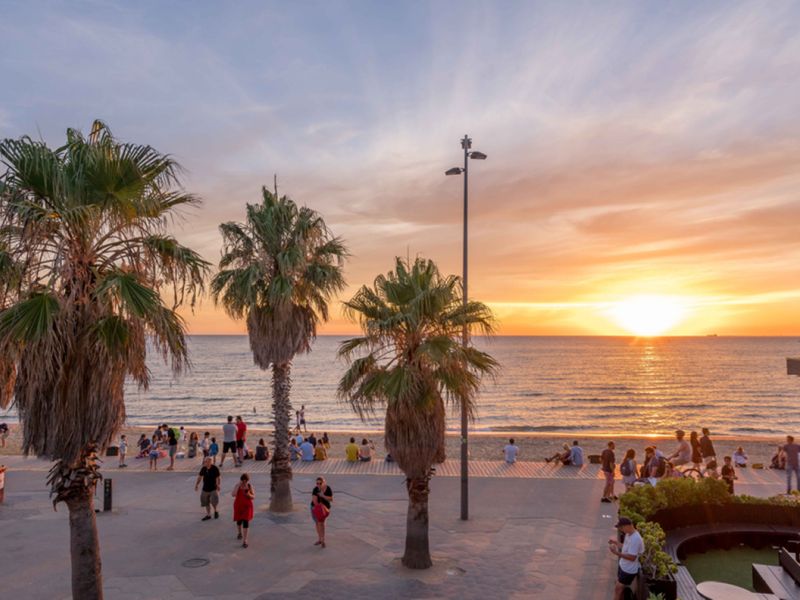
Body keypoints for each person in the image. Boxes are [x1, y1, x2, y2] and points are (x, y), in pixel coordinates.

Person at [608, 517, 644, 600]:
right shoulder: (628, 534)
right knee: (620, 590)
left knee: (618, 590)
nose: (620, 530)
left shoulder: (636, 539)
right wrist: (615, 542)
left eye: (621, 527)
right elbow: (626, 547)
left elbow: (632, 557)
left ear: (628, 526)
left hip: (628, 570)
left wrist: (616, 553)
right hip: (623, 565)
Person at [231, 473, 255, 548]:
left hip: (247, 507)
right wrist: (238, 486)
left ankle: (245, 540)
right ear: (241, 480)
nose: (244, 482)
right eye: (243, 481)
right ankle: (239, 533)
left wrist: (248, 494)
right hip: (238, 506)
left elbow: (253, 497)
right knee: (239, 521)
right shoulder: (237, 485)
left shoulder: (249, 486)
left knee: (246, 522)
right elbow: (233, 494)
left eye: (246, 481)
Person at [195, 457, 221, 521]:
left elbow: (218, 477)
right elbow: (200, 477)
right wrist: (197, 484)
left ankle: (216, 511)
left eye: (207, 461)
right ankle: (208, 515)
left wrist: (218, 485)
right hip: (205, 489)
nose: (206, 463)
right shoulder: (203, 468)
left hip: (213, 488)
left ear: (211, 462)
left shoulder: (215, 468)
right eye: (205, 461)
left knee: (214, 502)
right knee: (206, 503)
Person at [311, 476, 333, 548]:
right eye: (317, 483)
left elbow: (331, 499)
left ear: (324, 483)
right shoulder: (315, 489)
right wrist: (319, 508)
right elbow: (314, 501)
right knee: (317, 523)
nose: (318, 485)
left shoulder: (328, 488)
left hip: (325, 509)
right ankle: (320, 539)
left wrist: (323, 496)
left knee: (321, 524)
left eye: (320, 483)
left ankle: (322, 540)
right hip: (315, 509)